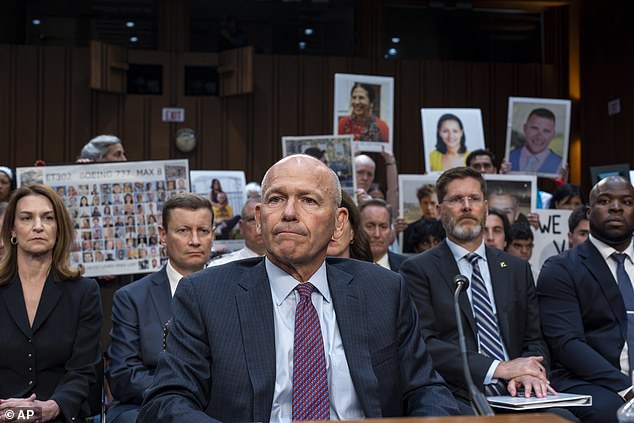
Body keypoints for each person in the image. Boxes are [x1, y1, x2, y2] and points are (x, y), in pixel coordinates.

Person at [139, 154, 459, 422]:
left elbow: (425, 390)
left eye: (308, 200)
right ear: (261, 217)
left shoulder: (384, 291)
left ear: (338, 222)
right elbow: (167, 401)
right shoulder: (206, 295)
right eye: (277, 199)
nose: (289, 213)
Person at [400, 167, 570, 416]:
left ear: (486, 208)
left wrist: (528, 371)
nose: (467, 206)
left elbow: (534, 339)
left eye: (474, 199)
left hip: (518, 392)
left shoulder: (516, 268)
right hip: (457, 394)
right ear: (438, 211)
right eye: (457, 199)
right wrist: (499, 368)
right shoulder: (417, 270)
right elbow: (426, 344)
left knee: (566, 420)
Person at [107, 193, 214, 423]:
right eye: (183, 230)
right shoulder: (131, 298)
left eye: (203, 231)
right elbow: (124, 376)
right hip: (148, 406)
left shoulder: (232, 293)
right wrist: (179, 400)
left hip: (215, 407)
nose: (194, 240)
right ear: (163, 235)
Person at [0, 184, 101, 422]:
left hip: (58, 415)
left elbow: (83, 371)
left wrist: (51, 408)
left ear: (59, 229)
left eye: (48, 218)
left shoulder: (84, 292)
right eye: (26, 218)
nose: (38, 226)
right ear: (12, 230)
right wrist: (11, 413)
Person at [537, 176, 634, 422]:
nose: (616, 207)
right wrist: (627, 387)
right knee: (614, 412)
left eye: (627, 201)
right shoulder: (560, 268)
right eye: (605, 200)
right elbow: (566, 343)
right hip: (589, 380)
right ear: (589, 213)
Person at [207, 198, 266, 266]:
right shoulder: (220, 267)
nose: (260, 226)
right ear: (241, 227)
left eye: (265, 219)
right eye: (253, 220)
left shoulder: (281, 266)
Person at [509, 108, 562, 174]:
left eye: (546, 131)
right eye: (534, 128)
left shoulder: (560, 165)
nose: (539, 136)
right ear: (525, 128)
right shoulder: (509, 157)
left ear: (553, 135)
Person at [359, 199, 407, 271]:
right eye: (370, 226)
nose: (377, 234)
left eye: (383, 227)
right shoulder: (345, 268)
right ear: (357, 229)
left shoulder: (407, 267)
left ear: (390, 230)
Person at [326, 192, 373, 262]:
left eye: (339, 223)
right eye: (327, 223)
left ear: (352, 231)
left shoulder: (371, 271)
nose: (334, 231)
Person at [403, 185, 439, 253]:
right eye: (425, 203)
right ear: (420, 204)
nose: (429, 207)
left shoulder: (447, 229)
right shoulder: (409, 230)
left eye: (432, 203)